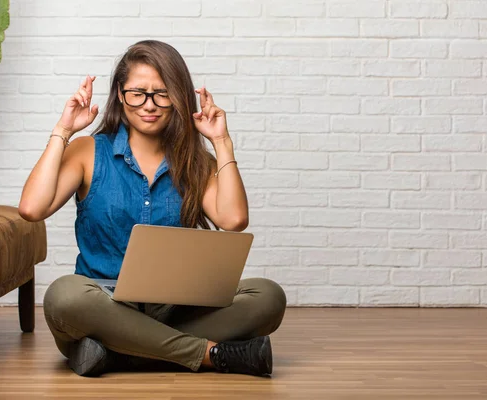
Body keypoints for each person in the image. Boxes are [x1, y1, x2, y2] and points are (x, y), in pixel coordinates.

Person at [18, 40, 287, 378]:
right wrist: (63, 131)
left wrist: (221, 142)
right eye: (138, 92)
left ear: (179, 97)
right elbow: (31, 208)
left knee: (268, 296)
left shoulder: (194, 161)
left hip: (177, 310)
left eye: (162, 93)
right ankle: (208, 353)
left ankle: (118, 352)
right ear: (119, 94)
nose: (150, 105)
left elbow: (233, 220)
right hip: (102, 305)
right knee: (64, 297)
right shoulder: (88, 151)